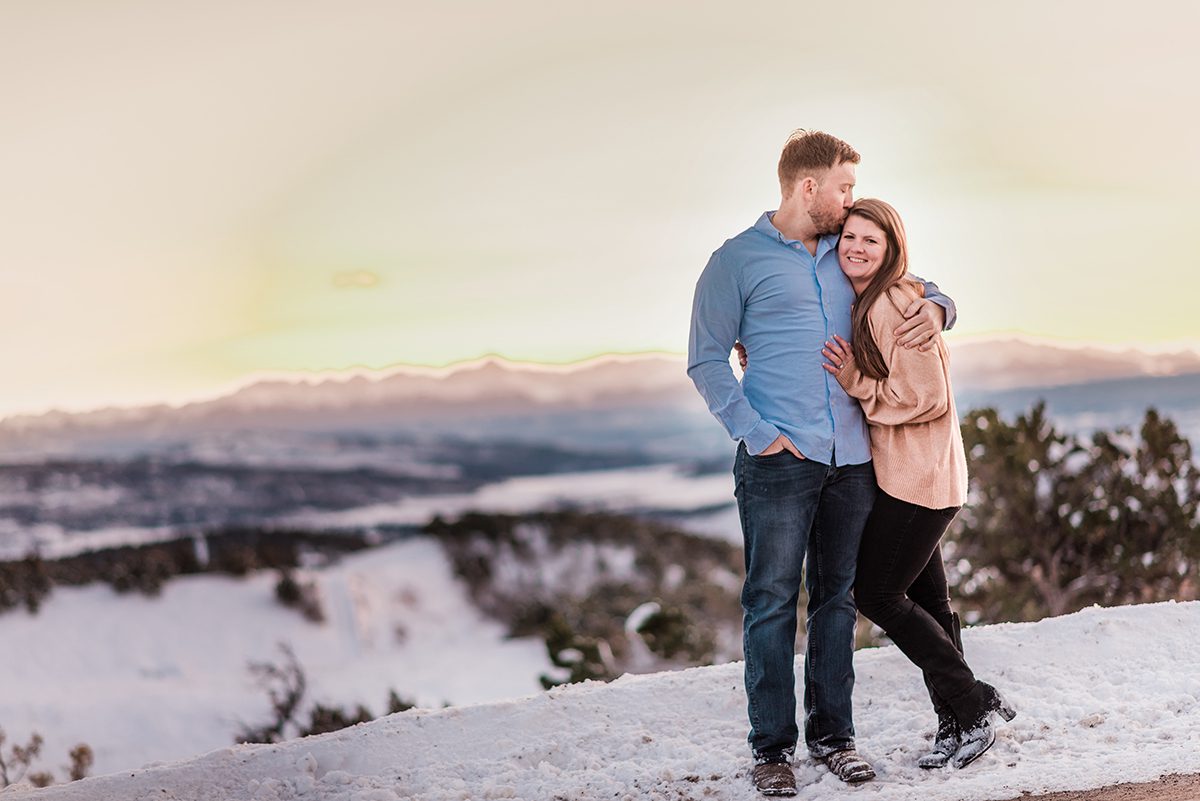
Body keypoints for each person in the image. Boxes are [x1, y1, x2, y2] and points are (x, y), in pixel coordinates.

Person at [687, 130, 956, 797]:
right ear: (809, 187)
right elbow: (704, 357)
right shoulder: (736, 260)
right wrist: (755, 432)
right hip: (780, 459)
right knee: (772, 601)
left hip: (856, 459)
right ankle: (772, 750)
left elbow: (919, 286)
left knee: (837, 600)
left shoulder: (848, 252)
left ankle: (835, 738)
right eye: (845, 188)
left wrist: (941, 305)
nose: (851, 201)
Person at [818, 198, 1016, 770]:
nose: (855, 248)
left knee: (876, 594)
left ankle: (973, 702)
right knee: (929, 600)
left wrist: (859, 383)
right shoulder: (889, 297)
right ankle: (956, 723)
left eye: (870, 241)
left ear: (890, 250)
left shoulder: (891, 305)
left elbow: (925, 398)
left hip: (919, 482)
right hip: (921, 477)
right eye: (849, 238)